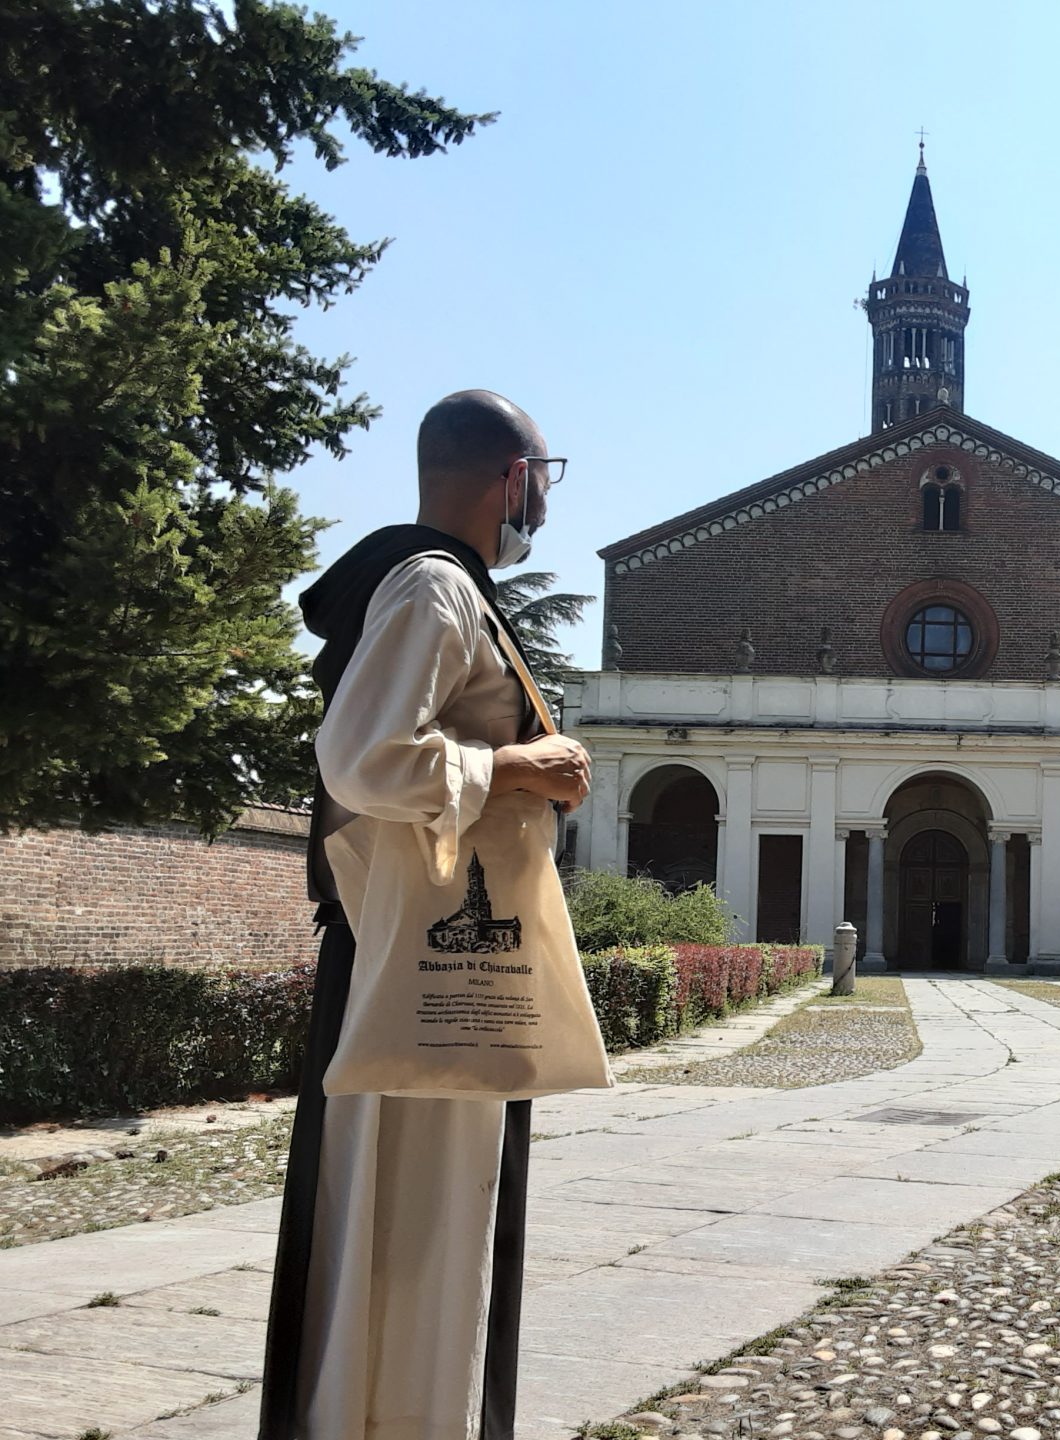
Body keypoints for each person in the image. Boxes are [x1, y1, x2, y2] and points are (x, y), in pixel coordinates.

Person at [260, 390, 592, 1440]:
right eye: (545, 474)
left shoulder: (443, 589)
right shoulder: (434, 590)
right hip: (422, 968)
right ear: (511, 478)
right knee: (412, 1227)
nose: (544, 496)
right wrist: (515, 764)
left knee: (433, 1227)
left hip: (444, 962)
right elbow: (359, 761)